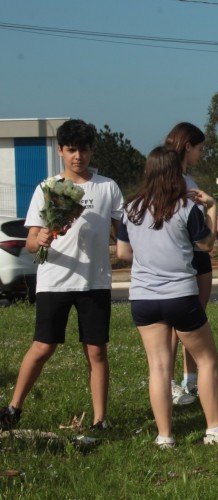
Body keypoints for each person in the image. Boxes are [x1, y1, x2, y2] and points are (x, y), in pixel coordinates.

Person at [0, 119, 124, 436]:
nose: (77, 156)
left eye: (83, 149)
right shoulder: (47, 188)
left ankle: (100, 420)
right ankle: (13, 409)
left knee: (96, 351)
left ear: (92, 150)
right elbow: (29, 242)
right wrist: (39, 239)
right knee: (43, 347)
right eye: (71, 150)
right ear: (60, 151)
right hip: (55, 280)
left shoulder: (107, 187)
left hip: (94, 282)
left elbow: (122, 231)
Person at [116, 146, 218, 447]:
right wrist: (211, 206)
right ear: (176, 174)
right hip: (180, 295)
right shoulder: (186, 208)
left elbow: (123, 253)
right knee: (207, 360)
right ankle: (214, 428)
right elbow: (207, 245)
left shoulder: (131, 208)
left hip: (143, 298)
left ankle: (165, 435)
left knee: (158, 367)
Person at [163, 122, 218, 406]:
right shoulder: (169, 182)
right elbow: (192, 230)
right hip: (185, 256)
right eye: (200, 148)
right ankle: (168, 383)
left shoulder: (189, 180)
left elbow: (201, 227)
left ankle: (189, 379)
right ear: (187, 146)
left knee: (195, 321)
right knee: (174, 326)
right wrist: (213, 214)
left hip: (200, 257)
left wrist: (213, 218)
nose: (201, 154)